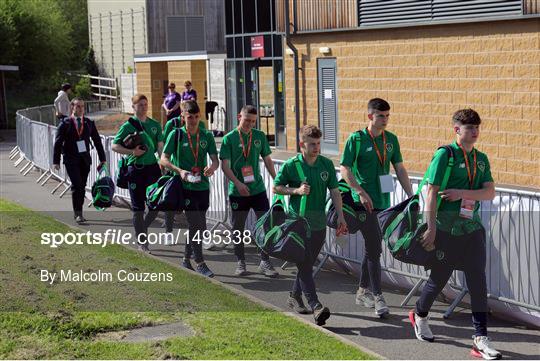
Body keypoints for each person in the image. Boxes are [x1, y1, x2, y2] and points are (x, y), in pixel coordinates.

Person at [410, 109, 500, 360]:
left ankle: (480, 338)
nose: (474, 131)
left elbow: (490, 192)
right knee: (440, 277)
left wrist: (462, 193)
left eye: (477, 127)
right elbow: (431, 192)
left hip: (471, 228)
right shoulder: (445, 155)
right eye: (469, 127)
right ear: (456, 130)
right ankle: (420, 314)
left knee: (477, 280)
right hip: (445, 228)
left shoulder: (481, 159)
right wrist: (431, 227)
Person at [340, 97, 413, 317]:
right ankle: (378, 296)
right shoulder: (357, 139)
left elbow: (399, 168)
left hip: (383, 202)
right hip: (364, 204)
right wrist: (360, 192)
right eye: (381, 116)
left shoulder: (391, 140)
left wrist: (411, 196)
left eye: (388, 116)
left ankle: (363, 290)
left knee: (372, 248)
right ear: (370, 116)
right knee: (374, 249)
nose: (385, 119)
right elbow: (345, 168)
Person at [274, 125, 348, 326]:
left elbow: (334, 192)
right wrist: (296, 191)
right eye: (312, 144)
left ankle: (294, 296)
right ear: (302, 145)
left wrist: (340, 216)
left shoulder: (325, 164)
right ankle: (316, 306)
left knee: (307, 265)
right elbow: (276, 187)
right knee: (305, 265)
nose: (316, 147)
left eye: (318, 144)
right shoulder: (292, 165)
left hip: (319, 225)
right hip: (298, 224)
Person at [160, 100, 219, 277]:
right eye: (189, 117)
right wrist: (179, 171)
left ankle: (186, 260)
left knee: (198, 227)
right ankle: (200, 262)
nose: (193, 121)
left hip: (202, 185)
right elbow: (163, 159)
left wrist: (212, 167)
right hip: (184, 187)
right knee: (196, 224)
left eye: (196, 117)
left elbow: (215, 159)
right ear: (182, 117)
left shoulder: (206, 136)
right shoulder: (176, 134)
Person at [220, 105, 278, 277]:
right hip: (238, 191)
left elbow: (267, 160)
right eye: (247, 120)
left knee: (265, 225)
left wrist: (277, 179)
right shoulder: (229, 138)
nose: (250, 124)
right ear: (239, 116)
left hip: (257, 189)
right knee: (238, 227)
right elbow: (225, 166)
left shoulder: (259, 136)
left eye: (253, 121)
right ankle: (240, 262)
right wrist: (238, 183)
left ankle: (264, 261)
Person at [111, 94, 164, 253]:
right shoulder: (128, 126)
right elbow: (114, 146)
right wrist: (132, 151)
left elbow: (160, 146)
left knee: (155, 205)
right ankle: (142, 241)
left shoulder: (155, 124)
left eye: (145, 104)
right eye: (140, 105)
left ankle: (142, 227)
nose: (143, 107)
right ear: (133, 107)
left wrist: (163, 163)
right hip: (135, 170)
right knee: (138, 208)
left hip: (152, 169)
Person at [53, 97, 106, 223]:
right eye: (78, 106)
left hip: (84, 160)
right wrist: (56, 161)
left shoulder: (89, 123)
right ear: (72, 107)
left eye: (82, 106)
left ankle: (79, 210)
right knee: (76, 185)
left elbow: (97, 141)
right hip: (71, 159)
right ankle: (78, 214)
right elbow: (58, 143)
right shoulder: (65, 123)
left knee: (81, 186)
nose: (81, 109)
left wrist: (102, 158)